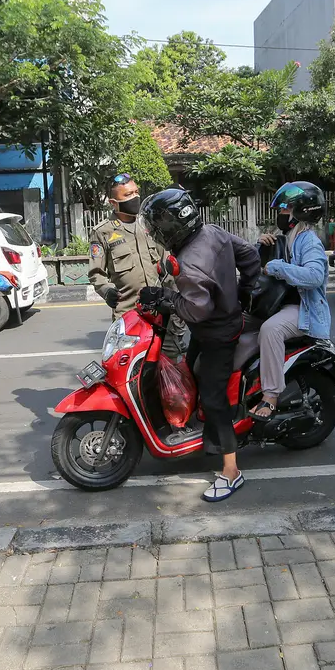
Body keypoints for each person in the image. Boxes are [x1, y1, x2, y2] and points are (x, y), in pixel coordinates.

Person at [139, 188, 261, 502]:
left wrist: (166, 298)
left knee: (213, 396)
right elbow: (249, 254)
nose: (153, 232)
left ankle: (231, 472)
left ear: (169, 227)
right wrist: (244, 289)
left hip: (217, 333)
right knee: (189, 371)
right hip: (221, 323)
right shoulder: (212, 232)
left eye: (155, 226)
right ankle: (200, 433)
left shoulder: (189, 262)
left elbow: (197, 309)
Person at [250, 182, 332, 421]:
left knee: (270, 330)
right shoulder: (288, 237)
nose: (281, 215)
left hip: (304, 311)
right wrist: (261, 245)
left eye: (285, 210)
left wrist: (276, 267)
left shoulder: (309, 242)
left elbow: (315, 276)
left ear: (301, 213)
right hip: (282, 305)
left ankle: (271, 396)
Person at [88, 173, 186, 357]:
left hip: (160, 311)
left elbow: (167, 264)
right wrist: (106, 290)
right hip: (128, 315)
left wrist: (177, 303)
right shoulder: (103, 232)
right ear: (113, 202)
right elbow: (96, 273)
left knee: (171, 362)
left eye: (136, 192)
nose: (134, 198)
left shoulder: (149, 224)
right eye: (127, 195)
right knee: (131, 368)